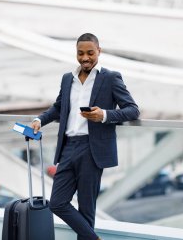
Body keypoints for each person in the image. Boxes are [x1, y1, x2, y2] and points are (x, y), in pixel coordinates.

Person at [31, 33, 140, 240]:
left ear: (99, 51)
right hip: (68, 147)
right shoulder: (67, 79)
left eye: (90, 53)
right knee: (57, 202)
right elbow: (58, 108)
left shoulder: (110, 78)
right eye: (80, 53)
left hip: (92, 149)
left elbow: (133, 110)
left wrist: (104, 115)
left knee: (87, 208)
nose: (85, 58)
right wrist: (40, 120)